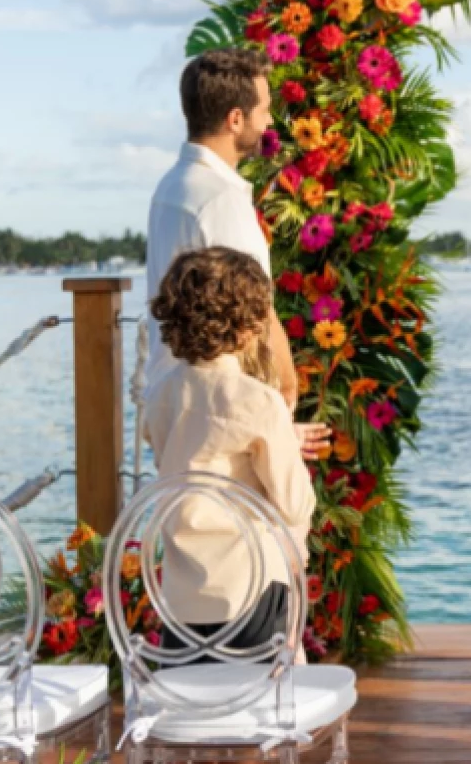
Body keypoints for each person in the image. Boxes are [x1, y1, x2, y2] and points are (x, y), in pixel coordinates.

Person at [142, 247, 319, 653]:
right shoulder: (258, 401)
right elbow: (295, 504)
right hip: (249, 590)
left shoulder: (160, 395)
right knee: (261, 703)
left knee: (200, 704)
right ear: (245, 328)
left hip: (181, 596)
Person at [146, 49, 301, 411]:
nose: (269, 121)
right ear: (235, 119)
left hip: (174, 399)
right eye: (263, 110)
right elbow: (254, 309)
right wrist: (286, 394)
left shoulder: (170, 187)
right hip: (223, 408)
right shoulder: (219, 199)